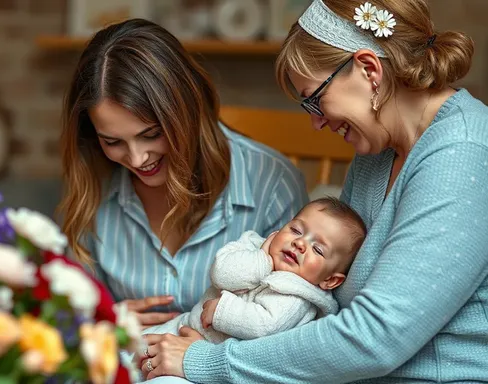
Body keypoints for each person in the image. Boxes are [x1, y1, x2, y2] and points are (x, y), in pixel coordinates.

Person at [140, 0, 488, 382]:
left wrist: (210, 362)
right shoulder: (378, 151)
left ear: (368, 69)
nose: (316, 123)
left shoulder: (463, 153)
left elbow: (374, 339)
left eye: (315, 99)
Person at [57, 18, 308, 333]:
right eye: (113, 141)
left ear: (187, 110)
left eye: (151, 134)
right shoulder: (93, 186)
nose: (137, 158)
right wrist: (101, 324)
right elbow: (63, 320)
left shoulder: (272, 184)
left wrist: (204, 357)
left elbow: (292, 326)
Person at [142, 197, 365, 346]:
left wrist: (222, 312)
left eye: (317, 249)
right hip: (184, 325)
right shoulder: (253, 245)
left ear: (330, 280)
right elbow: (220, 273)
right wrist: (262, 260)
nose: (299, 244)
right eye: (296, 230)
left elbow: (265, 325)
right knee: (123, 350)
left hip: (210, 358)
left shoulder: (299, 299)